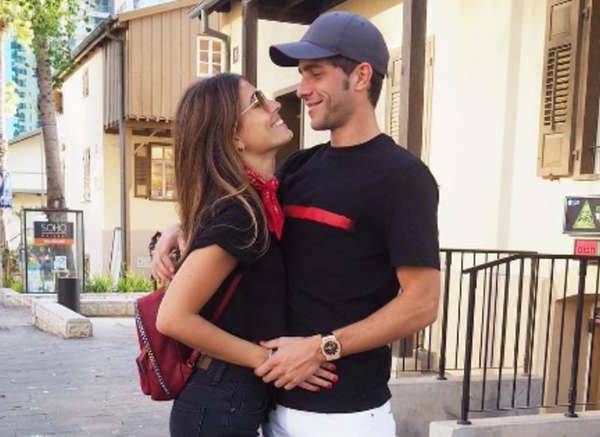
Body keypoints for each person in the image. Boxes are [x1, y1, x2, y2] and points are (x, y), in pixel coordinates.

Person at [153, 12, 440, 437]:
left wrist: (324, 347)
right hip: (270, 407)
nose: (302, 89)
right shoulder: (298, 168)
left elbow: (422, 302)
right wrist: (178, 228)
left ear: (361, 76)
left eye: (315, 73)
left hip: (344, 417)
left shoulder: (403, 177)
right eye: (301, 74)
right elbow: (237, 214)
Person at [155, 73, 337, 437]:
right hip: (220, 404)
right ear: (233, 137)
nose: (275, 105)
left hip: (229, 400)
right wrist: (271, 360)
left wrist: (176, 229)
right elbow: (172, 317)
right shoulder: (239, 214)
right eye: (257, 102)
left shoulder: (254, 202)